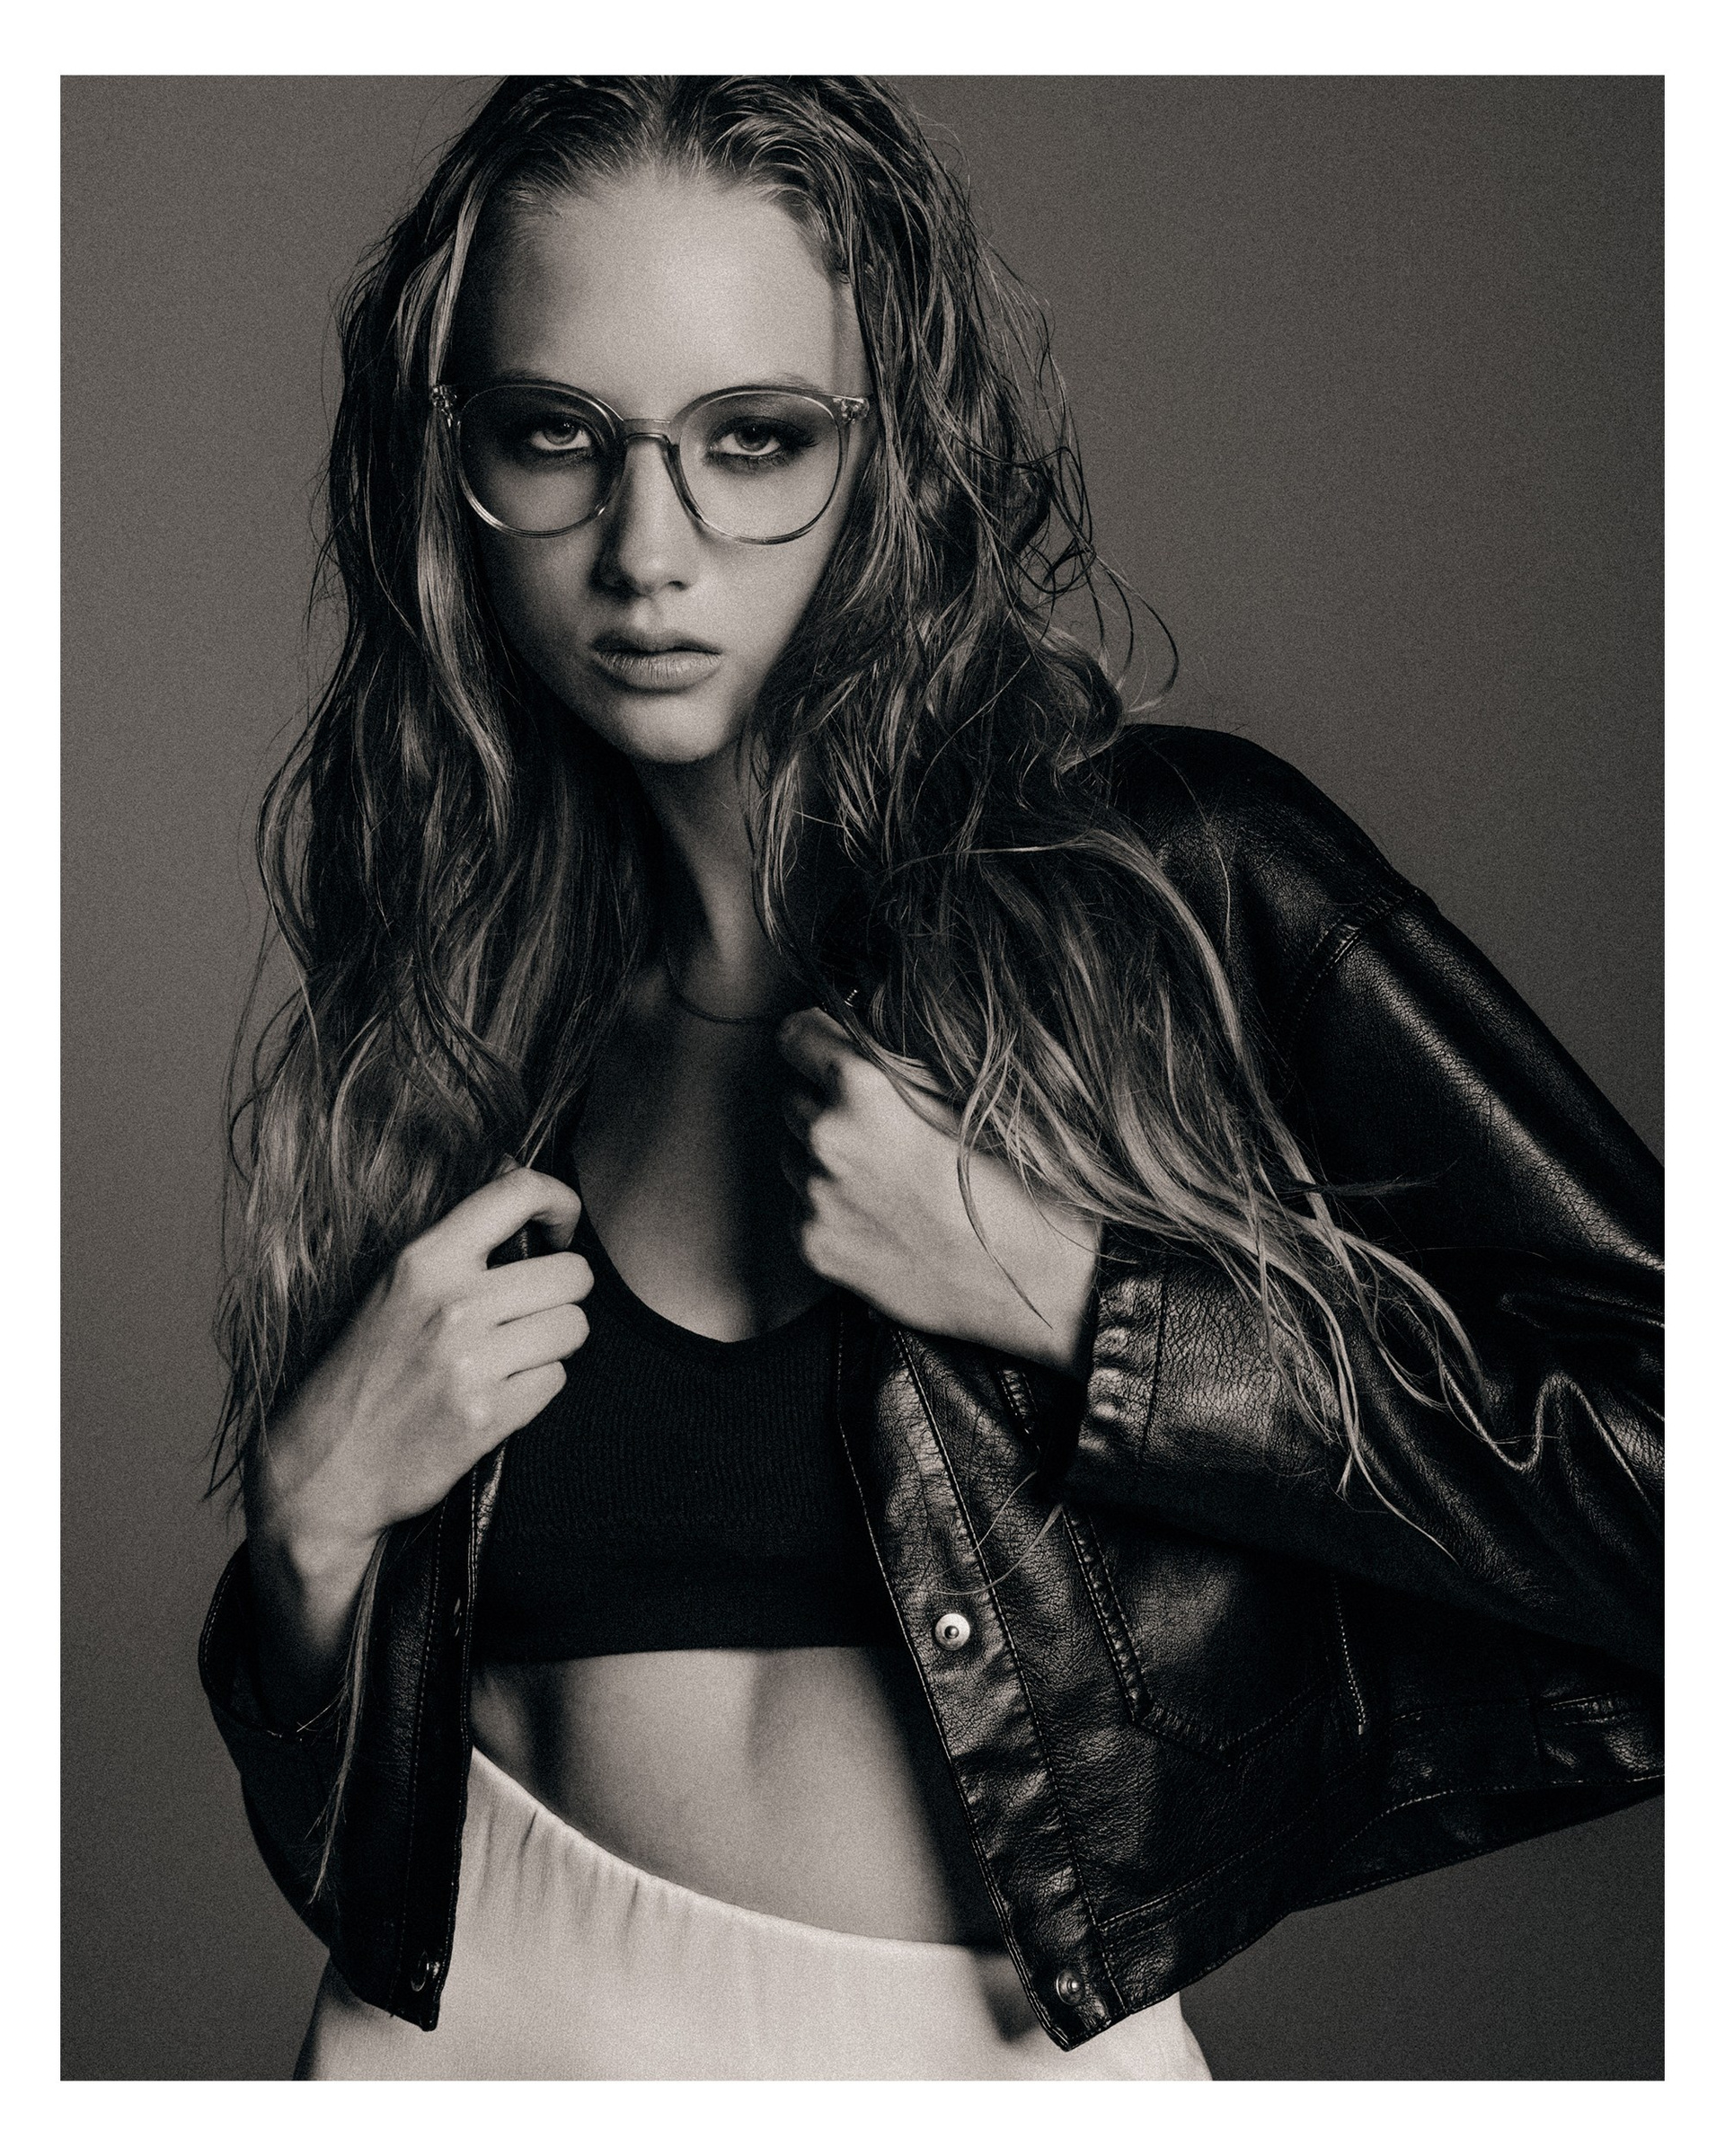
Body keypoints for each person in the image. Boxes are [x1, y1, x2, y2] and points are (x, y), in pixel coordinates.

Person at [199, 75, 1662, 2081]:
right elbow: (364, 1851)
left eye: (756, 439)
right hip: (445, 2053)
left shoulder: (1174, 888)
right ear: (451, 460)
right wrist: (307, 1537)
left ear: (894, 456)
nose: (648, 550)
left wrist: (1079, 1300)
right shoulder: (466, 998)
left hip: (967, 2060)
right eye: (557, 435)